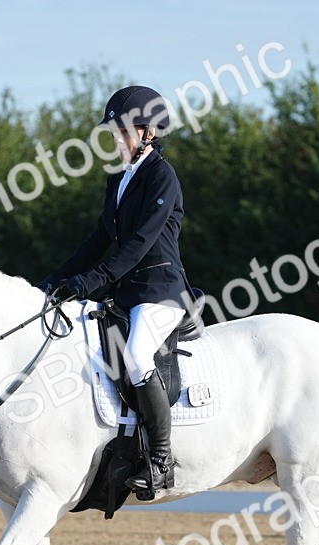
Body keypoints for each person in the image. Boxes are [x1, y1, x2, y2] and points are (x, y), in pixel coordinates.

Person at [36, 85, 193, 493]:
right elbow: (97, 241)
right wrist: (53, 282)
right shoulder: (119, 179)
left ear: (148, 133)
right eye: (113, 133)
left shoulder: (162, 176)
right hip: (126, 294)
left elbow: (139, 244)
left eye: (123, 132)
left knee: (138, 356)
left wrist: (90, 281)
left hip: (161, 291)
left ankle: (161, 460)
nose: (116, 140)